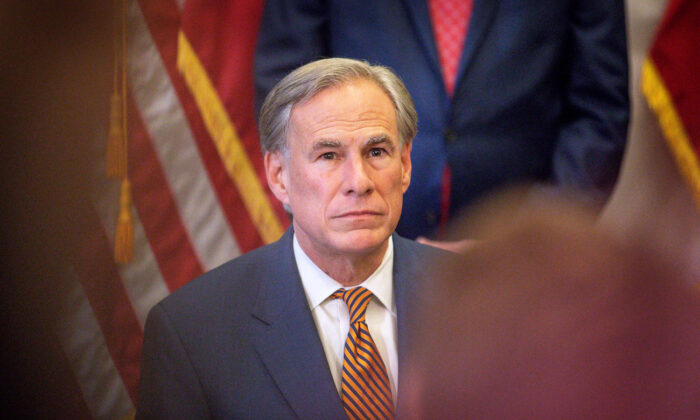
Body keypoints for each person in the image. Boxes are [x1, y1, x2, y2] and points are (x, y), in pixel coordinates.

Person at [136, 58, 450, 419]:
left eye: (376, 152)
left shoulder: (481, 296)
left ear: (406, 165)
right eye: (329, 155)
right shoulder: (192, 331)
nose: (359, 181)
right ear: (279, 176)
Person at [254, 0, 630, 240]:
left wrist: (527, 241)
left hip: (517, 263)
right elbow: (288, 94)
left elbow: (600, 112)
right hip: (355, 247)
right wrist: (340, 229)